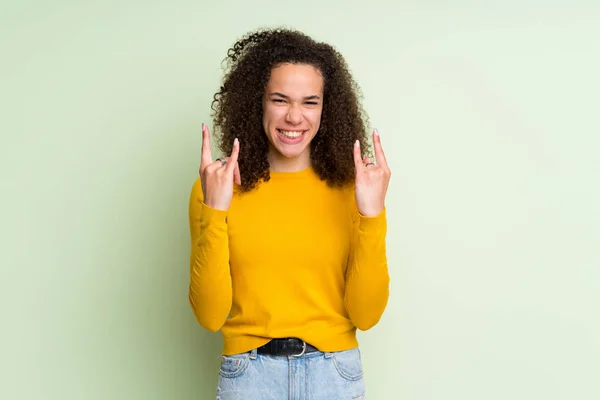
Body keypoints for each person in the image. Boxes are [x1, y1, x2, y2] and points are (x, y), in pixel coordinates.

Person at [188, 27, 391, 399]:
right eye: (280, 100)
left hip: (335, 376)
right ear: (257, 103)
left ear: (326, 109)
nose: (295, 117)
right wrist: (214, 212)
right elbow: (209, 315)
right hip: (249, 377)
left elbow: (366, 315)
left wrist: (371, 214)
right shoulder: (217, 186)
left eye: (310, 102)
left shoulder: (356, 187)